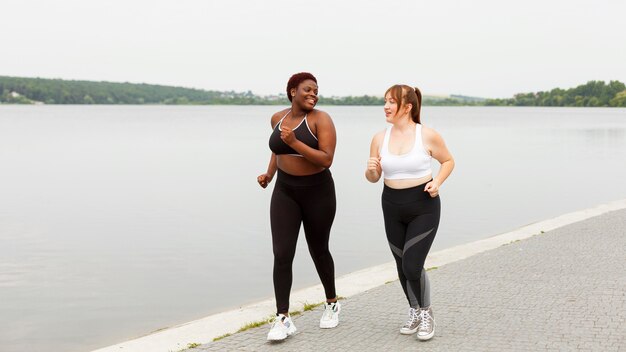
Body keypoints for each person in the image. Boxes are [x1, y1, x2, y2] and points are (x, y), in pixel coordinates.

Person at [365, 84, 454, 341]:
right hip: (391, 205)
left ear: (408, 106)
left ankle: (427, 313)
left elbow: (448, 161)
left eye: (391, 102)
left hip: (423, 206)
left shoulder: (427, 135)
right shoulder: (379, 138)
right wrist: (372, 169)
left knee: (412, 265)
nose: (386, 106)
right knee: (401, 266)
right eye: (385, 101)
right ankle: (414, 310)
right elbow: (373, 177)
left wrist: (437, 182)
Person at [257, 72, 341, 341]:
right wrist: (269, 175)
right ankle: (282, 317)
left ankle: (331, 302)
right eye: (307, 89)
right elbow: (277, 149)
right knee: (282, 253)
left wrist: (296, 142)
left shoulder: (321, 119)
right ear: (293, 91)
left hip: (318, 192)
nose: (313, 94)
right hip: (285, 191)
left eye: (316, 90)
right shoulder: (277, 118)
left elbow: (326, 159)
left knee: (319, 249)